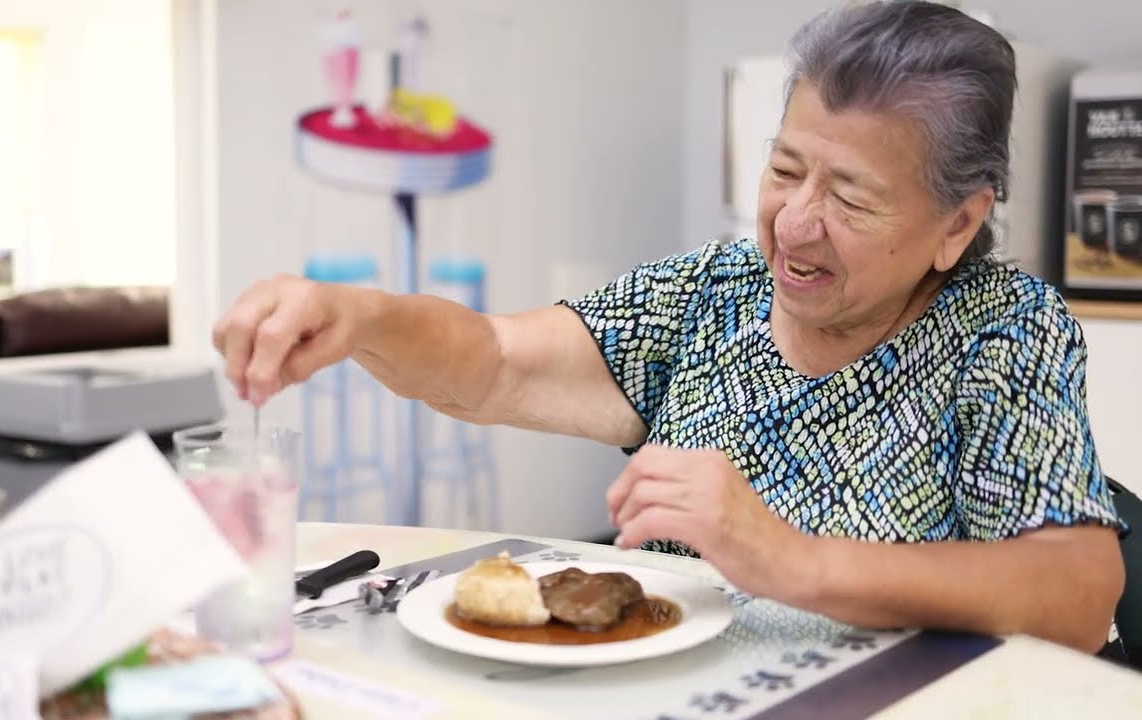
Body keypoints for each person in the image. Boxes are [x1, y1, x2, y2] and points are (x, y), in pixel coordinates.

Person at [213, 1, 1125, 653]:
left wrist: (790, 559)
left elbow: (1078, 594)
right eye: (786, 169)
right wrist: (361, 315)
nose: (796, 222)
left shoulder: (1003, 330)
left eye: (851, 196)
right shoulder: (714, 292)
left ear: (957, 224)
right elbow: (491, 363)